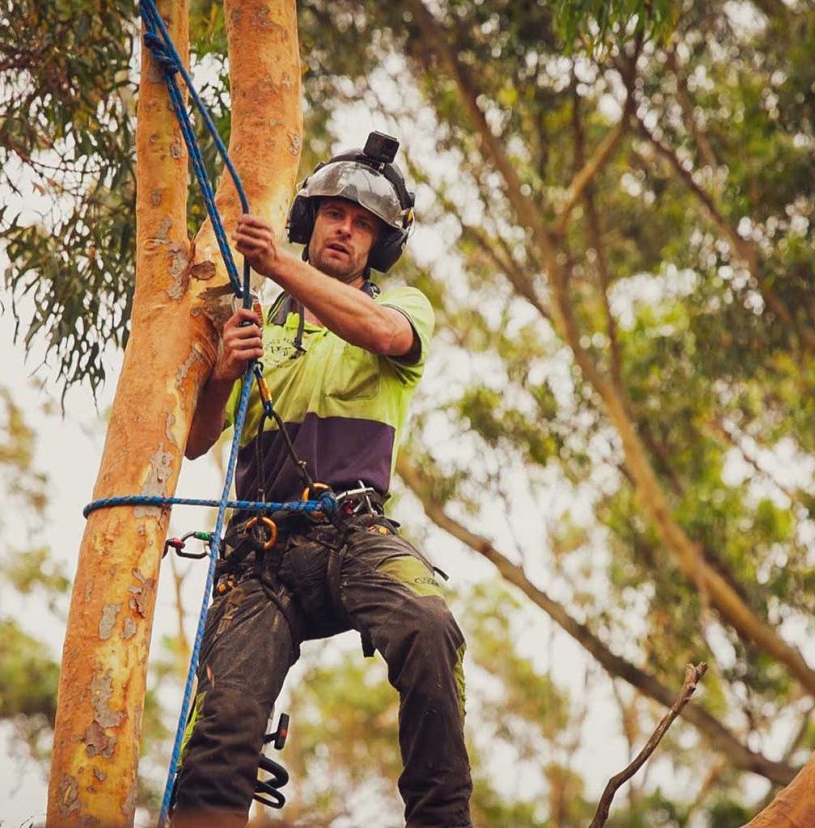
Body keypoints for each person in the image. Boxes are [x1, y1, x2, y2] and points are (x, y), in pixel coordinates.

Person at [171, 133, 473, 827]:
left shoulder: (399, 308)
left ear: (379, 245)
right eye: (336, 213)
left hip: (354, 534)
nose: (347, 229)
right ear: (311, 219)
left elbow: (386, 335)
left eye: (364, 224)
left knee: (428, 626)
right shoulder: (257, 318)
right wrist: (220, 377)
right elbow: (192, 443)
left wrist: (278, 264)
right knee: (225, 716)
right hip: (260, 553)